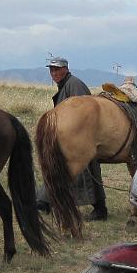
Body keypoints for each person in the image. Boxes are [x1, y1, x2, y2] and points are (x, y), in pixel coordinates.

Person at [46, 56, 108, 221]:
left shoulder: (74, 85)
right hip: (73, 137)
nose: (54, 73)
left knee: (86, 172)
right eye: (51, 70)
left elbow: (85, 112)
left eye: (57, 69)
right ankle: (51, 201)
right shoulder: (66, 84)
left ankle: (100, 209)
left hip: (82, 137)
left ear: (66, 68)